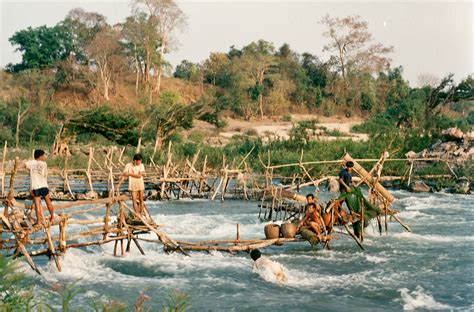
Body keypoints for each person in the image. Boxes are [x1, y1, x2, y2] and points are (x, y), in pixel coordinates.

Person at [24, 150, 54, 226]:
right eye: (43, 156)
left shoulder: (30, 163)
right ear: (40, 156)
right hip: (43, 185)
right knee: (48, 202)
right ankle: (52, 217)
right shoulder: (44, 164)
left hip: (35, 187)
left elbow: (24, 165)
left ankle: (39, 222)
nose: (44, 157)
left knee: (37, 204)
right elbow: (44, 175)